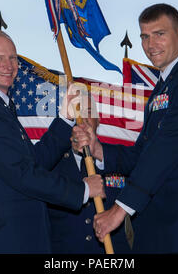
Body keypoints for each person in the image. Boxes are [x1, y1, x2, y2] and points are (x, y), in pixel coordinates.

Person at [73, 3, 178, 253]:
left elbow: (166, 150)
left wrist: (120, 210)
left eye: (159, 34)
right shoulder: (164, 88)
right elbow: (142, 154)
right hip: (163, 228)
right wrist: (98, 149)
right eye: (144, 36)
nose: (150, 44)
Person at [0, 29, 105, 254]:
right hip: (6, 242)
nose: (8, 65)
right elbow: (23, 174)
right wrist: (83, 190)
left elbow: (33, 162)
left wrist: (65, 119)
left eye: (12, 58)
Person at [47, 99, 131, 254]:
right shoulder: (51, 166)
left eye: (89, 111)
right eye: (76, 111)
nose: (82, 117)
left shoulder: (120, 161)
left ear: (98, 120)